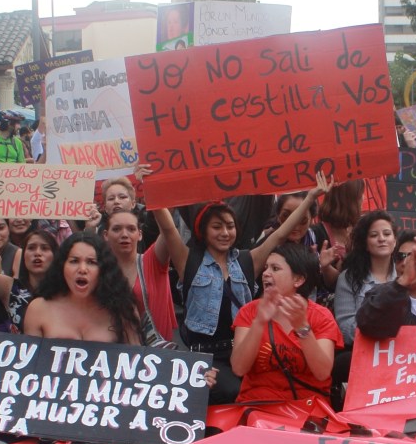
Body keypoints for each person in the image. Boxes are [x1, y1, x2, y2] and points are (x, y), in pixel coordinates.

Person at [156, 171, 333, 404]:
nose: (225, 233)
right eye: (217, 227)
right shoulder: (189, 261)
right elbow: (169, 229)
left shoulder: (248, 260)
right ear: (204, 231)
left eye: (230, 226)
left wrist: (310, 199)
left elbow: (280, 234)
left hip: (242, 350)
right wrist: (152, 187)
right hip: (202, 355)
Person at [231, 243, 343, 402]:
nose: (265, 274)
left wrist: (302, 327)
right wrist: (259, 322)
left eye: (275, 269)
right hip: (258, 405)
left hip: (307, 407)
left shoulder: (321, 316)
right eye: (266, 268)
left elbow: (322, 372)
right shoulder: (249, 312)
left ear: (298, 279)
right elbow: (239, 368)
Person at [23, 233, 142, 344]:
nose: (82, 269)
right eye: (74, 261)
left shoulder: (123, 309)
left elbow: (135, 361)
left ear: (104, 270)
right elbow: (29, 363)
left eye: (91, 262)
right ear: (62, 266)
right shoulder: (38, 309)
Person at [102, 209, 177, 343]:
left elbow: (168, 232)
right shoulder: (98, 270)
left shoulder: (152, 261)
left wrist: (158, 204)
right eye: (117, 229)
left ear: (140, 234)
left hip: (156, 356)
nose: (124, 234)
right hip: (113, 354)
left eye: (131, 229)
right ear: (106, 235)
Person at [333, 210, 398, 346]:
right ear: (365, 244)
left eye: (387, 234)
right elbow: (345, 330)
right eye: (374, 235)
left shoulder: (406, 275)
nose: (382, 239)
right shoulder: (348, 278)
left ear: (395, 241)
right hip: (363, 352)